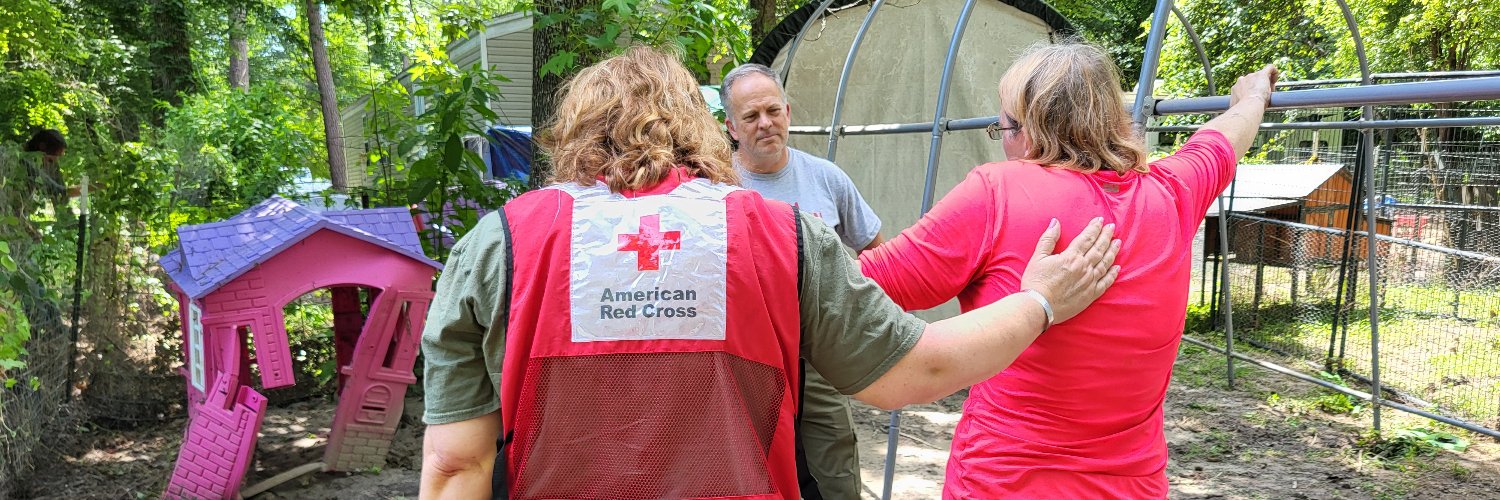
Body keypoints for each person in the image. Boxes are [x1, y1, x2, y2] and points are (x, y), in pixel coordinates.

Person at [419, 46, 1120, 499]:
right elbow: (920, 371)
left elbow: (456, 467)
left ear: (577, 131)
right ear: (704, 125)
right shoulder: (780, 235)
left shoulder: (496, 246)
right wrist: (1038, 302)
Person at [858, 42, 1277, 498]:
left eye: (1004, 126)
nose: (1003, 141)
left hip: (1005, 484)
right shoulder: (1174, 194)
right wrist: (1253, 96)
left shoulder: (997, 192)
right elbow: (1221, 139)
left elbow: (860, 288)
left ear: (1030, 129)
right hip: (1131, 488)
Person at [719, 63, 881, 500]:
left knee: (834, 468)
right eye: (751, 117)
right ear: (731, 127)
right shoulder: (716, 185)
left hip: (820, 353)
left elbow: (878, 255)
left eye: (773, 110)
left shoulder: (826, 178)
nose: (765, 124)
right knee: (749, 470)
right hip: (745, 358)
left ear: (788, 112)